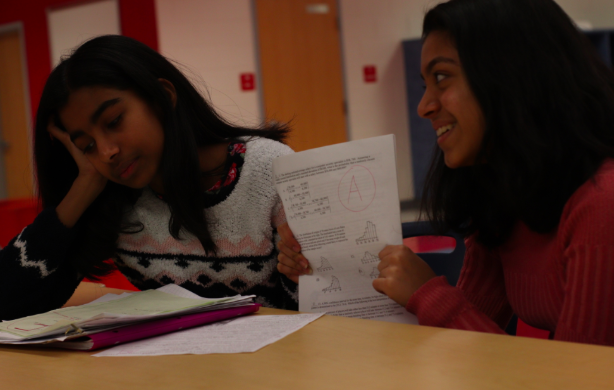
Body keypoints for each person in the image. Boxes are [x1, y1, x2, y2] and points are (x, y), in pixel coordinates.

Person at [278, 0, 614, 346]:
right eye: (425, 85)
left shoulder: (602, 204)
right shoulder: (506, 195)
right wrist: (322, 267)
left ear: (513, 76)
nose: (424, 107)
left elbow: (582, 376)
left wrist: (427, 293)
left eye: (442, 78)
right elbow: (469, 345)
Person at [0, 35, 298, 321]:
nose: (106, 152)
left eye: (114, 121)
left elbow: (322, 310)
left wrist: (300, 275)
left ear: (163, 98)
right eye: (86, 146)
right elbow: (6, 303)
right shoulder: (111, 199)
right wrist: (84, 185)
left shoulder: (268, 169)